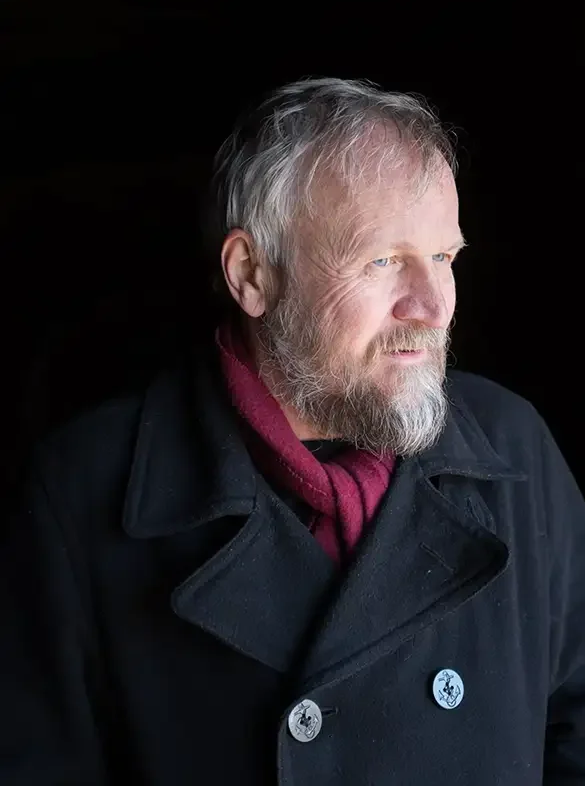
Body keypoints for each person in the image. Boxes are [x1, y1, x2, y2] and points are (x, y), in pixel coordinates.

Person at [1, 77, 584, 785]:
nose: (432, 306)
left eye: (443, 258)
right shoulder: (82, 492)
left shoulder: (517, 450)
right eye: (382, 260)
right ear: (252, 274)